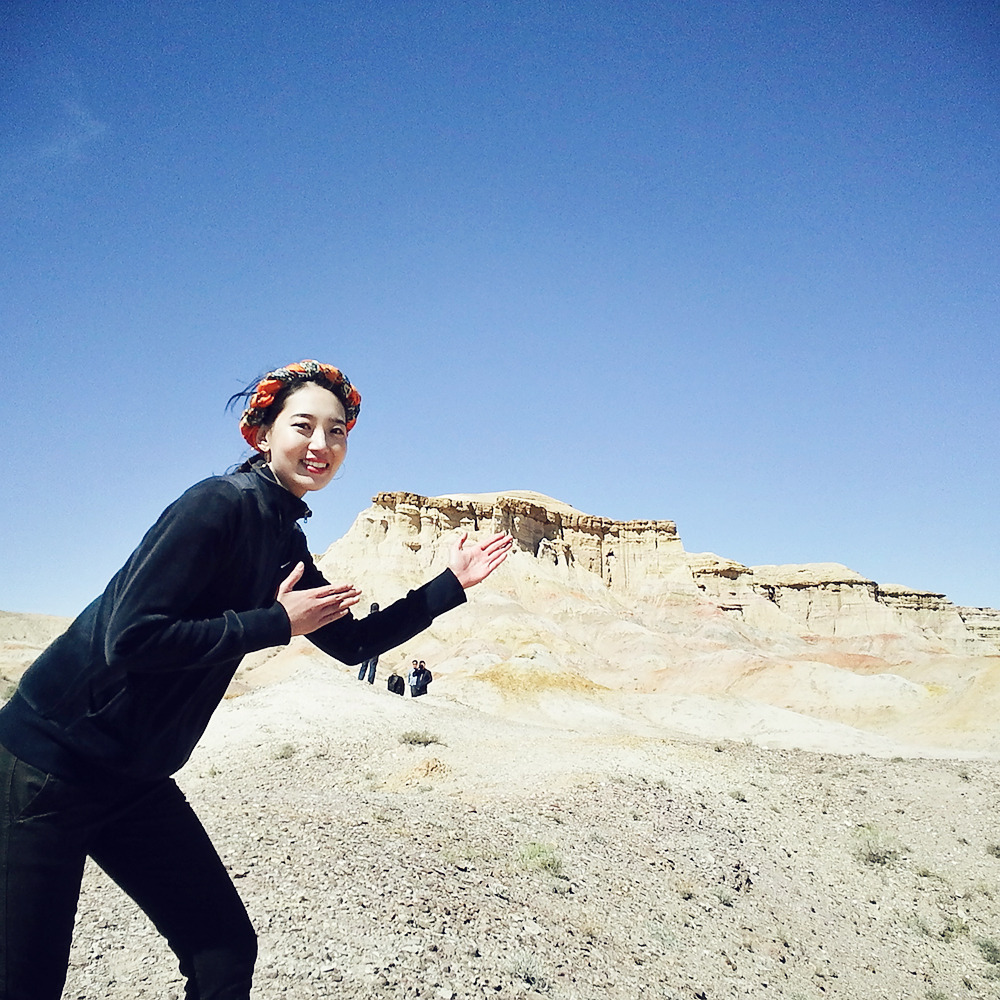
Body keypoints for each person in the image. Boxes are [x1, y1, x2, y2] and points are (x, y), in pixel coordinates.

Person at [0, 359, 512, 1000]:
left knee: (223, 951)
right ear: (263, 434)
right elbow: (129, 637)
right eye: (304, 425)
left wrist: (450, 584)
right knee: (25, 981)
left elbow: (351, 642)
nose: (322, 443)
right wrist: (273, 622)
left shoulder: (281, 538)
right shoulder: (217, 505)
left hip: (134, 781)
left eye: (337, 431)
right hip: (47, 769)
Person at [357, 602, 380, 682]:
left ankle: (360, 678)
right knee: (373, 665)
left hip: (366, 645)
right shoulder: (380, 621)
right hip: (376, 646)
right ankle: (370, 681)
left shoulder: (367, 620)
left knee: (364, 664)